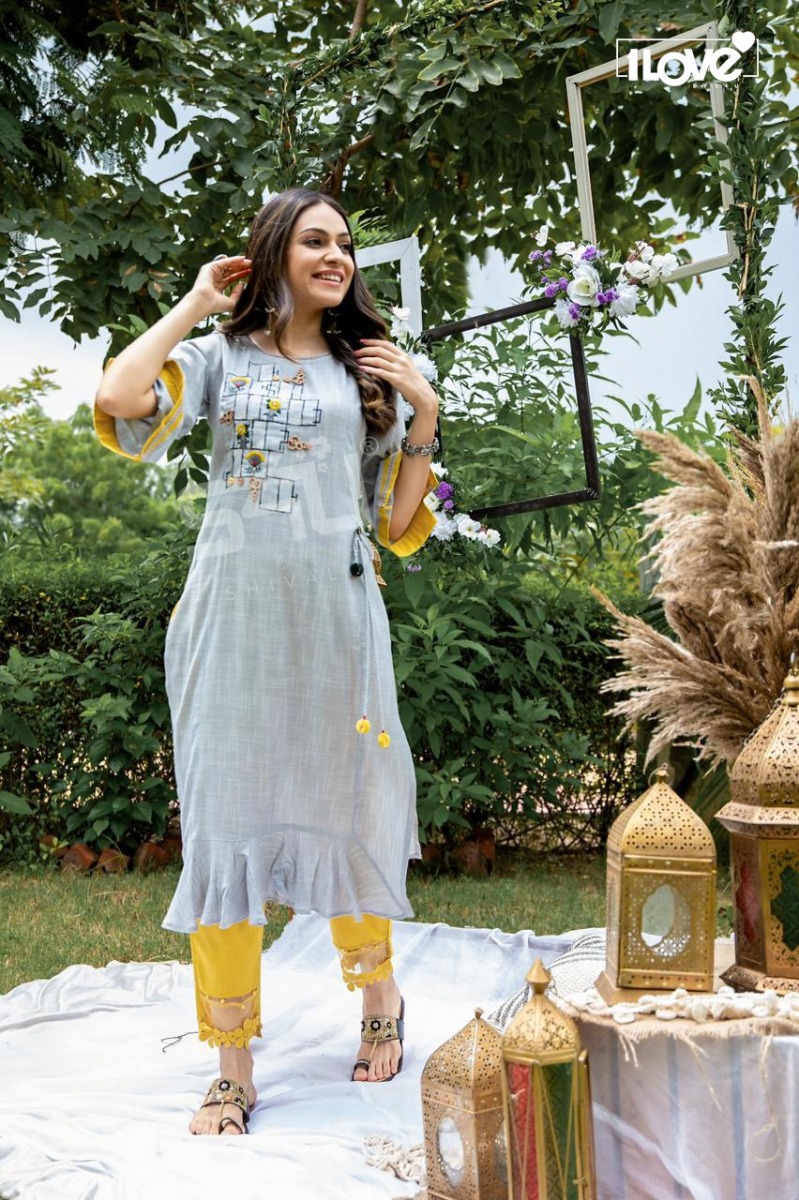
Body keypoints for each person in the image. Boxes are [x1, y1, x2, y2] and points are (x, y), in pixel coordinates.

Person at [93, 187, 439, 1135]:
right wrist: (196, 303)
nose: (337, 256)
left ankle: (378, 998)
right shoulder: (217, 358)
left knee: (350, 804)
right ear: (276, 250)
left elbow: (397, 522)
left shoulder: (365, 369)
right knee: (226, 825)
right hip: (232, 619)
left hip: (336, 617)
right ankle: (232, 1063)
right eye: (316, 240)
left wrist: (423, 411)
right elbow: (120, 400)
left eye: (346, 244)